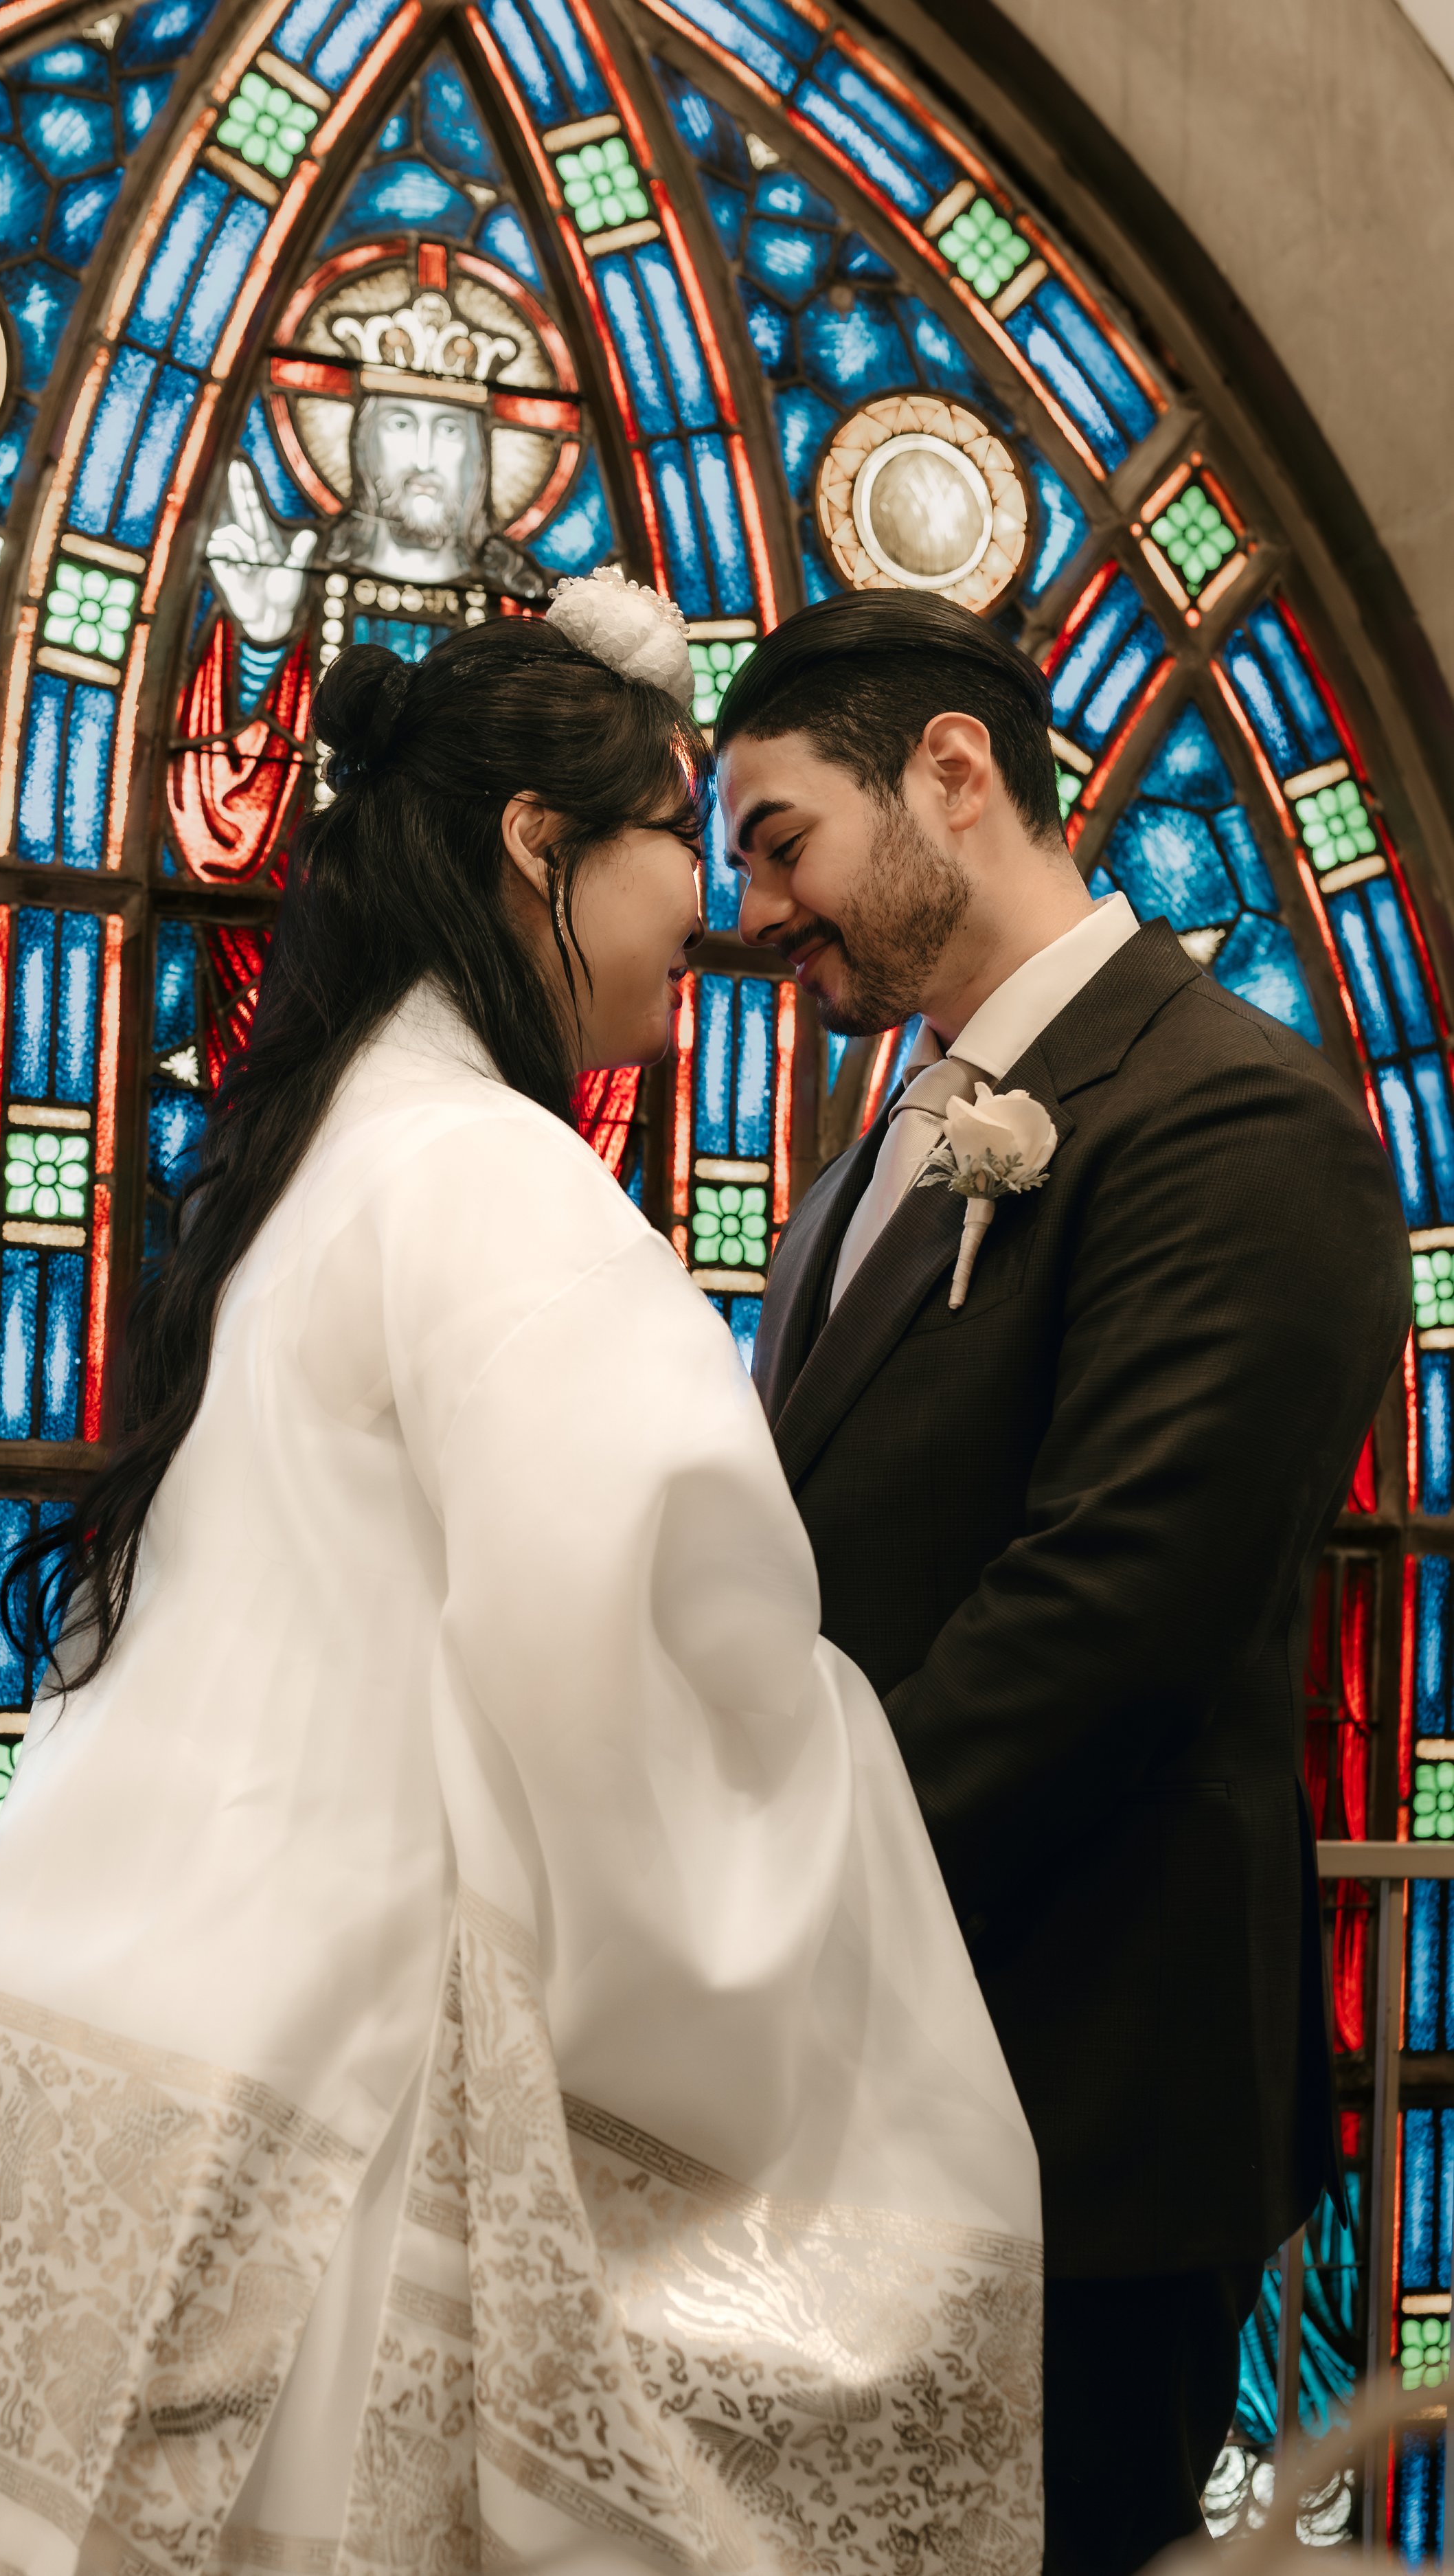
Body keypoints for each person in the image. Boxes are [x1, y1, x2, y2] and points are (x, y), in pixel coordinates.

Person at [0, 573, 1041, 2576]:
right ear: (540, 847)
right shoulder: (495, 1184)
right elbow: (636, 1668)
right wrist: (811, 1781)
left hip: (113, 2037)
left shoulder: (329, 1151)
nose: (705, 916)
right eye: (668, 853)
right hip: (329, 2099)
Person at [714, 589, 1411, 2576]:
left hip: (1077, 2111)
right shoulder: (876, 1161)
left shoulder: (1232, 1117)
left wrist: (765, 1892)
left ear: (950, 771)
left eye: (781, 840)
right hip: (865, 2098)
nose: (762, 912)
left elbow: (1112, 1613)